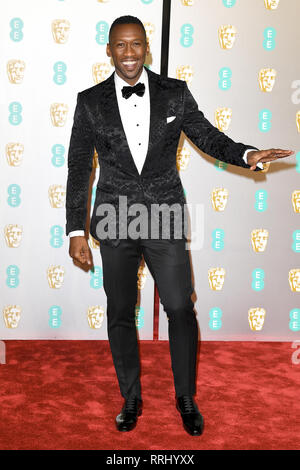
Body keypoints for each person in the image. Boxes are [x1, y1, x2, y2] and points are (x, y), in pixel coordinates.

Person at [65, 15, 293, 436]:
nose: (129, 53)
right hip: (114, 218)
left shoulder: (175, 94)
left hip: (163, 215)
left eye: (136, 45)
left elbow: (208, 137)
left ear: (146, 47)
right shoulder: (90, 101)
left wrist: (246, 154)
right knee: (120, 310)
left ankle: (185, 397)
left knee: (179, 307)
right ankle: (130, 396)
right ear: (109, 50)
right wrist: (76, 231)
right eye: (120, 45)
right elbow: (79, 167)